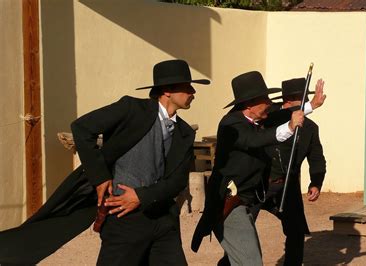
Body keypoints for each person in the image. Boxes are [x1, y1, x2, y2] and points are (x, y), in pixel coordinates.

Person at [0, 59, 209, 265]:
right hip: (124, 219)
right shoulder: (132, 109)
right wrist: (100, 177)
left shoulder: (184, 132)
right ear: (167, 90)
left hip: (164, 221)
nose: (193, 92)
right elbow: (82, 128)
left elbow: (178, 181)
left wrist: (141, 196)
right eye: (187, 87)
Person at [191, 71, 325, 265]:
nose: (270, 103)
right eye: (265, 99)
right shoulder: (232, 123)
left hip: (253, 196)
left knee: (252, 256)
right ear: (249, 104)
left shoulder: (257, 119)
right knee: (249, 261)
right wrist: (289, 127)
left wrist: (312, 105)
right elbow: (255, 140)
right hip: (229, 202)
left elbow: (284, 113)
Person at [262, 77, 327, 265]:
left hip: (287, 186)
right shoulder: (270, 116)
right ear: (287, 101)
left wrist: (316, 182)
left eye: (307, 98)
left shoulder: (311, 128)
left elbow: (316, 158)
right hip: (261, 184)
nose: (306, 102)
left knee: (296, 230)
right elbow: (281, 116)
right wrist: (311, 105)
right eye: (303, 99)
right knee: (243, 227)